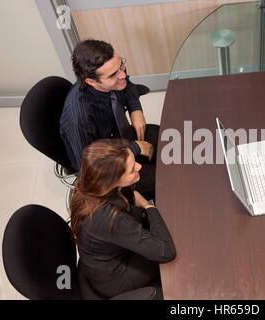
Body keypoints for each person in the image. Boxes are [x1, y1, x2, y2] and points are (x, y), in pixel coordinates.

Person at [70, 139, 176, 299]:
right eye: (132, 169)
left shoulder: (89, 185)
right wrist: (148, 207)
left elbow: (130, 208)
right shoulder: (109, 218)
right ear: (112, 180)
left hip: (100, 260)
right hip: (114, 278)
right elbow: (167, 252)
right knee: (177, 245)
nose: (139, 167)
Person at [60, 39, 158, 199]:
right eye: (113, 74)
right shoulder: (80, 120)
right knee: (164, 179)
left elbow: (129, 85)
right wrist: (135, 148)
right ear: (91, 81)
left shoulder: (114, 79)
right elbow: (91, 170)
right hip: (109, 163)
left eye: (121, 65)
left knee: (172, 139)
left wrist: (135, 109)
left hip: (121, 136)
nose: (123, 75)